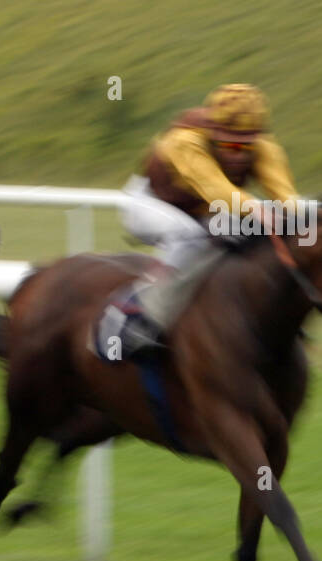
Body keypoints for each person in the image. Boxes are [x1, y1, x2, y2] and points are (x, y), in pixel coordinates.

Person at [118, 83, 303, 359]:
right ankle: (142, 317)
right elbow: (215, 188)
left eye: (246, 145)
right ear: (212, 132)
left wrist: (304, 221)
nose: (238, 153)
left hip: (210, 210)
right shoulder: (184, 141)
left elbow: (286, 196)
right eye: (229, 144)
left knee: (260, 229)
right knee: (191, 235)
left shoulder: (265, 147)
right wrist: (259, 212)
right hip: (151, 204)